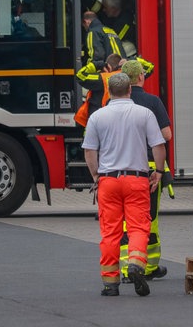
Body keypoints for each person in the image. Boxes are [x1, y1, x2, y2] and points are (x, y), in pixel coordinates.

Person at [82, 73, 166, 297]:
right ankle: (137, 265)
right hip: (137, 179)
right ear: (130, 89)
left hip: (108, 180)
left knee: (110, 232)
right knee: (139, 227)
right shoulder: (144, 113)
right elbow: (158, 144)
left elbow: (89, 151)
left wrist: (95, 176)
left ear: (108, 91)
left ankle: (110, 284)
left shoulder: (98, 116)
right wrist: (158, 172)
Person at [119, 60, 173, 284]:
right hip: (149, 170)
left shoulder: (114, 104)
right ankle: (148, 266)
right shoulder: (152, 102)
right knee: (149, 220)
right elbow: (166, 135)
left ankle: (125, 268)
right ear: (141, 77)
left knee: (124, 222)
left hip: (120, 171)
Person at [74, 53, 124, 127]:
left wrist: (97, 65)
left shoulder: (102, 79)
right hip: (120, 119)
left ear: (109, 67)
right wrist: (130, 61)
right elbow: (147, 67)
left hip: (100, 120)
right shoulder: (129, 76)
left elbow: (80, 75)